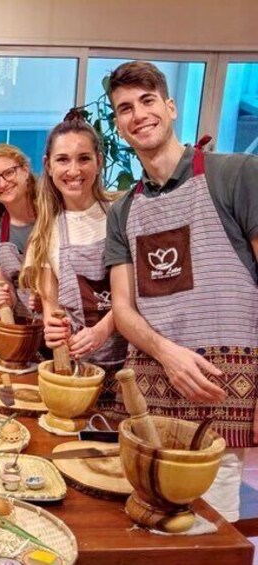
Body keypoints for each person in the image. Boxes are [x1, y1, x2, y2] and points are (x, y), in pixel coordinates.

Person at [104, 61, 258, 521]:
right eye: (125, 108)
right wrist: (167, 353)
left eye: (147, 101)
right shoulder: (122, 211)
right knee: (145, 524)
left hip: (219, 393)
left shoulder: (236, 175)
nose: (138, 115)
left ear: (170, 107)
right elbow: (123, 309)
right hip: (151, 396)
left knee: (211, 529)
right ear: (119, 124)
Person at [22, 111, 127, 410]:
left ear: (99, 161)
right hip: (80, 374)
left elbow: (139, 293)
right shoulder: (45, 232)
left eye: (83, 159)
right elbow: (51, 309)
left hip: (131, 367)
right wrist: (54, 329)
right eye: (63, 160)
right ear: (48, 165)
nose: (73, 170)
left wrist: (102, 329)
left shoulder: (123, 212)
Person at [0, 143, 38, 319]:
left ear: (25, 170)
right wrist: (3, 297)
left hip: (64, 327)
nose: (3, 183)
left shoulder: (53, 219)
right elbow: (5, 290)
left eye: (9, 172)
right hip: (24, 327)